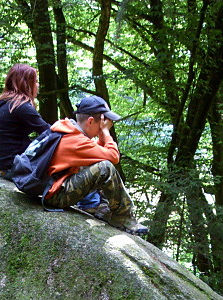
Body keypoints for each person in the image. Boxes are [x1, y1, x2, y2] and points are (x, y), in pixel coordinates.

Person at [43, 96, 148, 235]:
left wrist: (102, 135)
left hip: (54, 189)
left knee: (97, 163)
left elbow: (96, 153)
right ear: (90, 121)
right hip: (56, 196)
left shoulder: (69, 132)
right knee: (105, 167)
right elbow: (113, 157)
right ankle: (123, 218)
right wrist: (106, 133)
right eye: (102, 123)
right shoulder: (76, 140)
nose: (104, 127)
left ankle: (99, 208)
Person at [0, 64, 50, 179]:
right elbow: (48, 131)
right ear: (26, 84)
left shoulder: (8, 103)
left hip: (6, 166)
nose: (38, 85)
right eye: (35, 81)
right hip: (15, 168)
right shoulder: (20, 106)